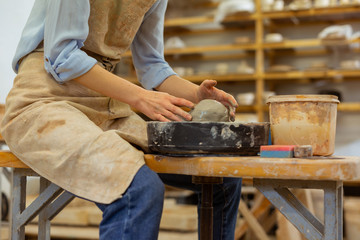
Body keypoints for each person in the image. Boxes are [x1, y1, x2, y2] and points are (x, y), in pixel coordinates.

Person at [1, 0, 242, 239]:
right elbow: (62, 57)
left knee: (222, 176)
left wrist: (196, 94)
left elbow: (151, 64)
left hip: (104, 104)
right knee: (138, 190)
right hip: (44, 101)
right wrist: (138, 97)